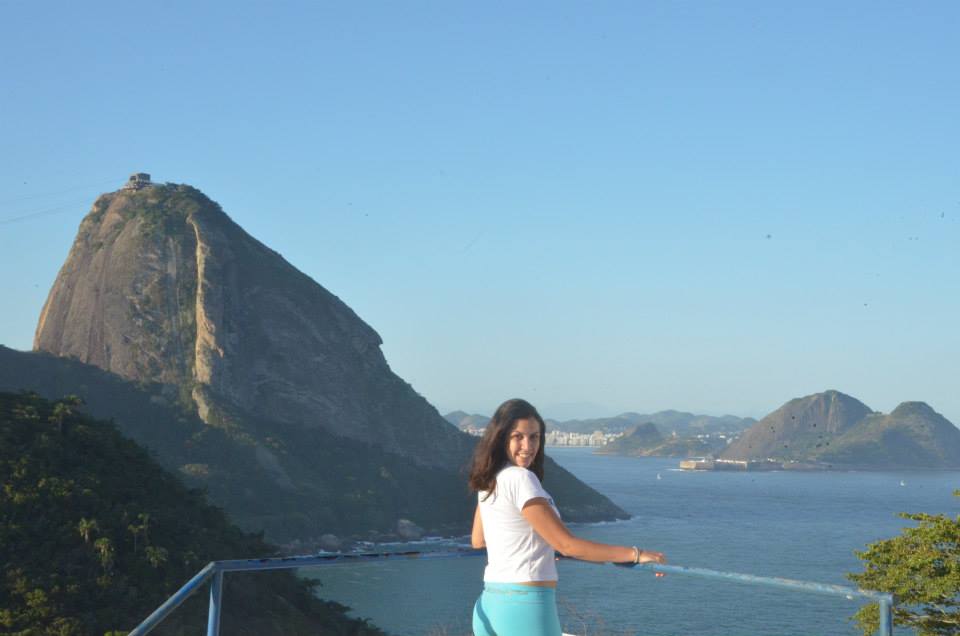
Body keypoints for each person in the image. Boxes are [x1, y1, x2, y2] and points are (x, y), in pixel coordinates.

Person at [468, 398, 666, 636]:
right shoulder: (521, 479)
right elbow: (567, 545)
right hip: (525, 607)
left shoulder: (490, 480)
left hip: (491, 602)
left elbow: (478, 540)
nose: (528, 445)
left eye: (534, 437)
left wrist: (538, 547)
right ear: (501, 438)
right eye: (517, 436)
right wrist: (636, 554)